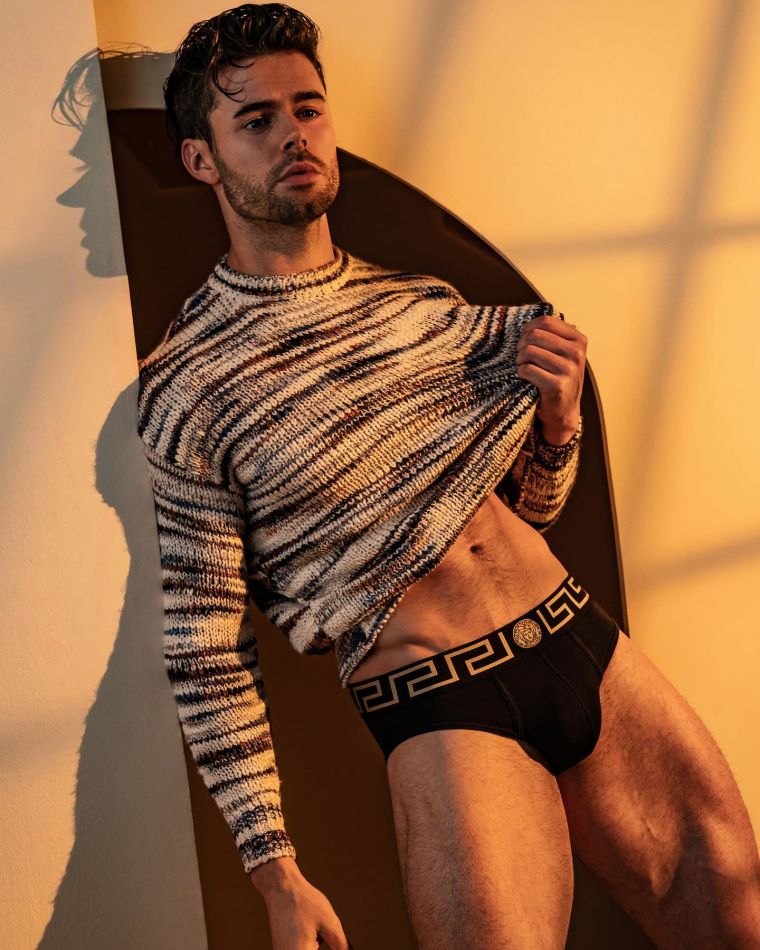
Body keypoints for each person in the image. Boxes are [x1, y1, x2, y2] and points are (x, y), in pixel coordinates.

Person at [136, 4, 760, 948]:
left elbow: (528, 512)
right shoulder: (190, 384)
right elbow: (206, 647)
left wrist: (558, 426)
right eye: (255, 119)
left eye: (308, 108)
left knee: (736, 912)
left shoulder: (425, 307)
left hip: (578, 639)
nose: (293, 134)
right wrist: (275, 873)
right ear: (201, 159)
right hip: (440, 699)